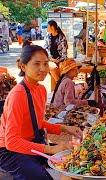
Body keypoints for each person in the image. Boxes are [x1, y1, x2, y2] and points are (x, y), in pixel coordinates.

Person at [0, 45, 81, 179]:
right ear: (23, 66)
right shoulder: (18, 95)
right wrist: (51, 149)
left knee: (72, 162)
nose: (43, 69)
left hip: (31, 142)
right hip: (8, 150)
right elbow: (12, 142)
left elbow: (36, 123)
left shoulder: (41, 90)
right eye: (36, 64)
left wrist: (65, 128)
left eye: (45, 63)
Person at [45, 20, 68, 90]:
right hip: (50, 59)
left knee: (61, 70)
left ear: (52, 27)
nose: (47, 28)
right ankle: (60, 85)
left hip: (60, 59)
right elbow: (45, 48)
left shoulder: (61, 37)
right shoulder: (47, 36)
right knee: (53, 68)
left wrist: (59, 60)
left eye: (47, 27)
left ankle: (58, 88)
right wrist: (51, 59)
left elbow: (64, 53)